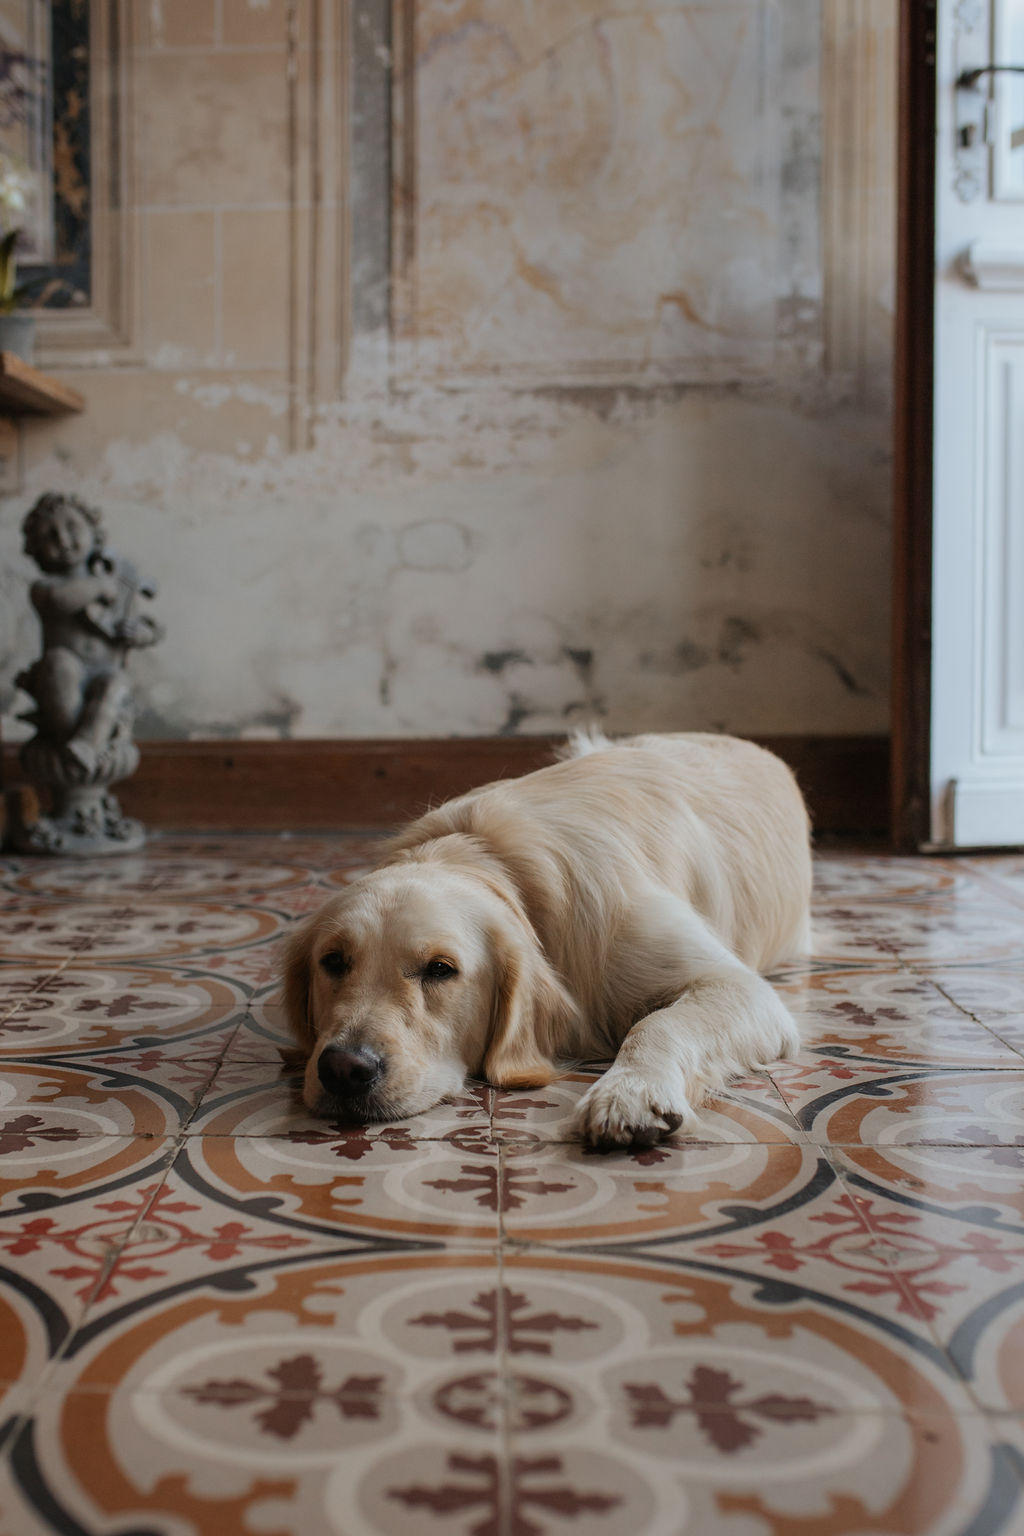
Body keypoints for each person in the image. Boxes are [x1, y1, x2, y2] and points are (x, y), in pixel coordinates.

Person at [17, 493, 162, 775]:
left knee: (116, 684)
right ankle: (68, 739)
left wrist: (141, 634)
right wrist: (99, 586)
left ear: (94, 533)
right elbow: (61, 600)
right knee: (59, 663)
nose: (63, 539)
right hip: (65, 681)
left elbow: (150, 626)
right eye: (50, 535)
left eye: (72, 527)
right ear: (35, 548)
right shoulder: (44, 588)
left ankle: (86, 744)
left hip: (104, 673)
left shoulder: (120, 586)